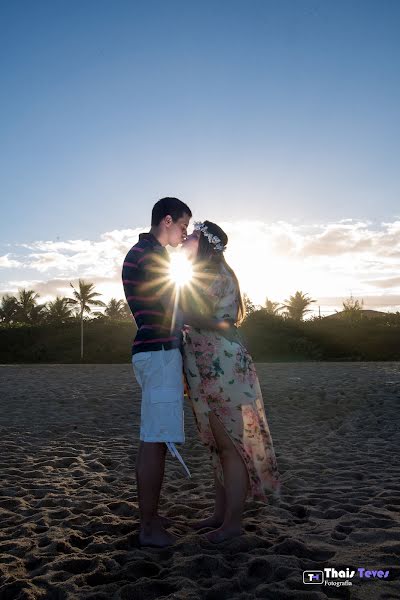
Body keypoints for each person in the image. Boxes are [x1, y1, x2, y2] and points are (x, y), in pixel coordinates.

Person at [181, 221, 281, 543]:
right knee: (217, 446)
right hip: (207, 364)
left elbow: (218, 323)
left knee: (230, 446)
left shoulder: (216, 276)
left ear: (207, 244)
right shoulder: (202, 273)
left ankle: (233, 524)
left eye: (194, 235)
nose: (188, 238)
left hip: (222, 366)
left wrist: (182, 313)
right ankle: (219, 514)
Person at [122, 197, 192, 547]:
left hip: (155, 351)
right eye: (183, 226)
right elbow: (175, 305)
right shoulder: (150, 255)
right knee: (154, 440)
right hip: (159, 351)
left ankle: (150, 516)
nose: (185, 234)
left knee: (156, 437)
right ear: (167, 220)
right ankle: (148, 526)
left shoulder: (145, 252)